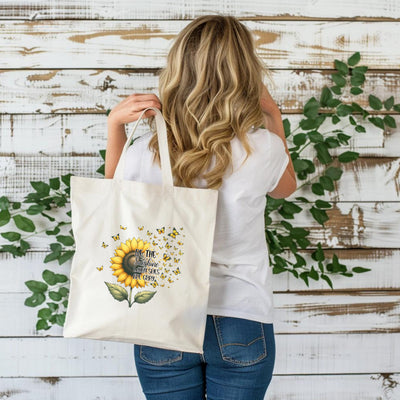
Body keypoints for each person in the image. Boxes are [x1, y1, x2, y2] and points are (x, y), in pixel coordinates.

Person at [105, 14, 296, 400]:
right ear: (246, 73)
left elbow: (113, 200)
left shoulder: (147, 149)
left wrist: (115, 127)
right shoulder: (264, 149)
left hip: (163, 315)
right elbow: (285, 190)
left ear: (177, 70)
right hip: (242, 316)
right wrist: (273, 115)